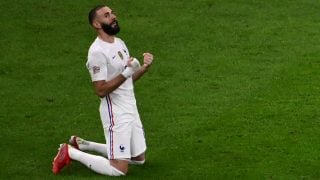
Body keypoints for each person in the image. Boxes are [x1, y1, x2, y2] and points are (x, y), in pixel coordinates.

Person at [51, 5, 154, 176]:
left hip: (130, 107)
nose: (113, 16)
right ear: (97, 24)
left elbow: (126, 81)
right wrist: (128, 71)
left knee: (138, 158)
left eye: (112, 13)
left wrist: (143, 68)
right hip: (116, 112)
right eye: (107, 15)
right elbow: (100, 90)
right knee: (119, 169)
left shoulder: (119, 43)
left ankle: (85, 144)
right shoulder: (97, 52)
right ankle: (70, 152)